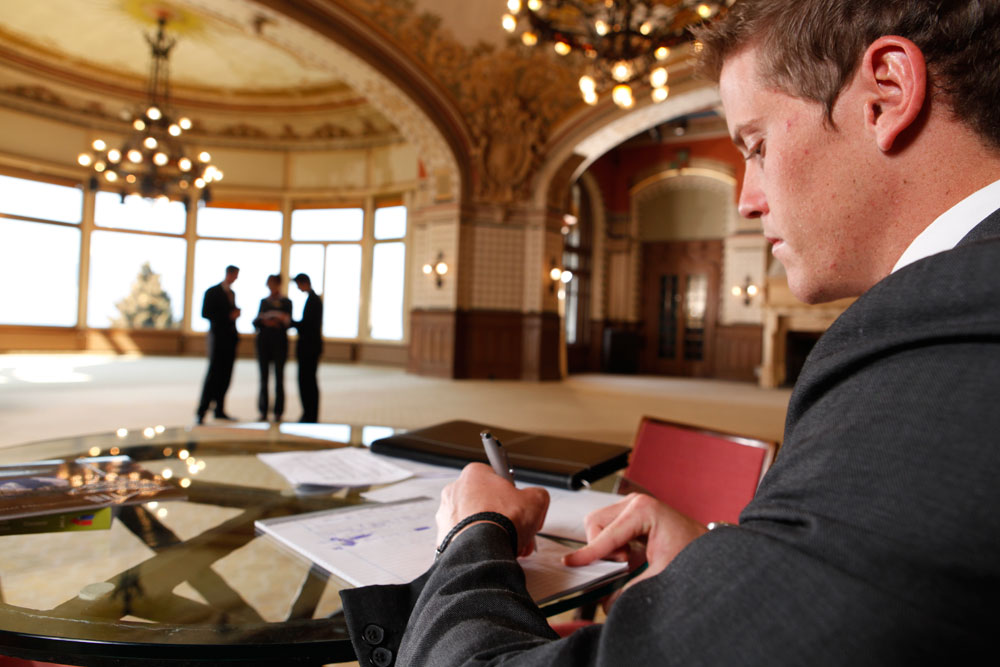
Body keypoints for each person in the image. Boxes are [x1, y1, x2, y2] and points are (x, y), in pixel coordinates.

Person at [339, 1, 1000, 664]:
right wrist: (724, 564)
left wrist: (473, 534)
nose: (747, 199)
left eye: (757, 146)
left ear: (886, 92)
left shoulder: (944, 349)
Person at [196, 265, 241, 425]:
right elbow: (205, 313)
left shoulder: (232, 293)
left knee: (226, 376)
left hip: (230, 339)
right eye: (235, 275)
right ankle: (201, 411)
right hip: (217, 339)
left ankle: (219, 409)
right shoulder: (212, 291)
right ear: (229, 274)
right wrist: (228, 316)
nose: (236, 278)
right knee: (213, 375)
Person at [252, 274, 292, 422]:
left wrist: (279, 320)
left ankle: (278, 412)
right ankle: (263, 411)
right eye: (269, 284)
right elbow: (256, 321)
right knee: (263, 378)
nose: (271, 287)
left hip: (279, 343)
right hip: (264, 342)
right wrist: (265, 321)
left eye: (274, 284)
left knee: (279, 378)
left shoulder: (286, 302)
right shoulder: (264, 302)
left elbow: (289, 321)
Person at [292, 273, 323, 423]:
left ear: (303, 283)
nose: (298, 288)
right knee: (308, 381)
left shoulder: (314, 300)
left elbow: (308, 326)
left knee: (307, 381)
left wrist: (291, 322)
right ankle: (309, 413)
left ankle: (310, 414)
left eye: (298, 285)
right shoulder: (313, 299)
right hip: (310, 347)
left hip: (309, 348)